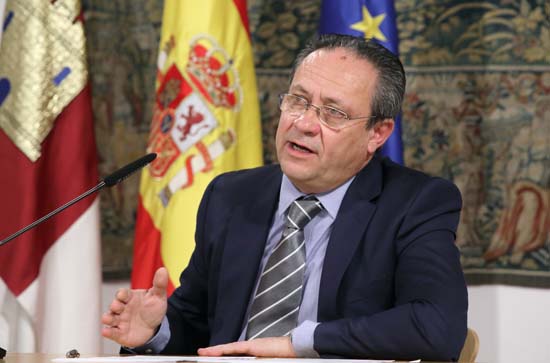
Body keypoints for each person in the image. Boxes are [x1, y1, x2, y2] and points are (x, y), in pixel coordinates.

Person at [102, 34, 468, 361]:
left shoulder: (415, 203)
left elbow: (437, 326)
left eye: (333, 113)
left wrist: (301, 343)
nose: (304, 123)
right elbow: (199, 325)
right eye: (298, 100)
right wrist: (155, 331)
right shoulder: (231, 195)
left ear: (378, 133)